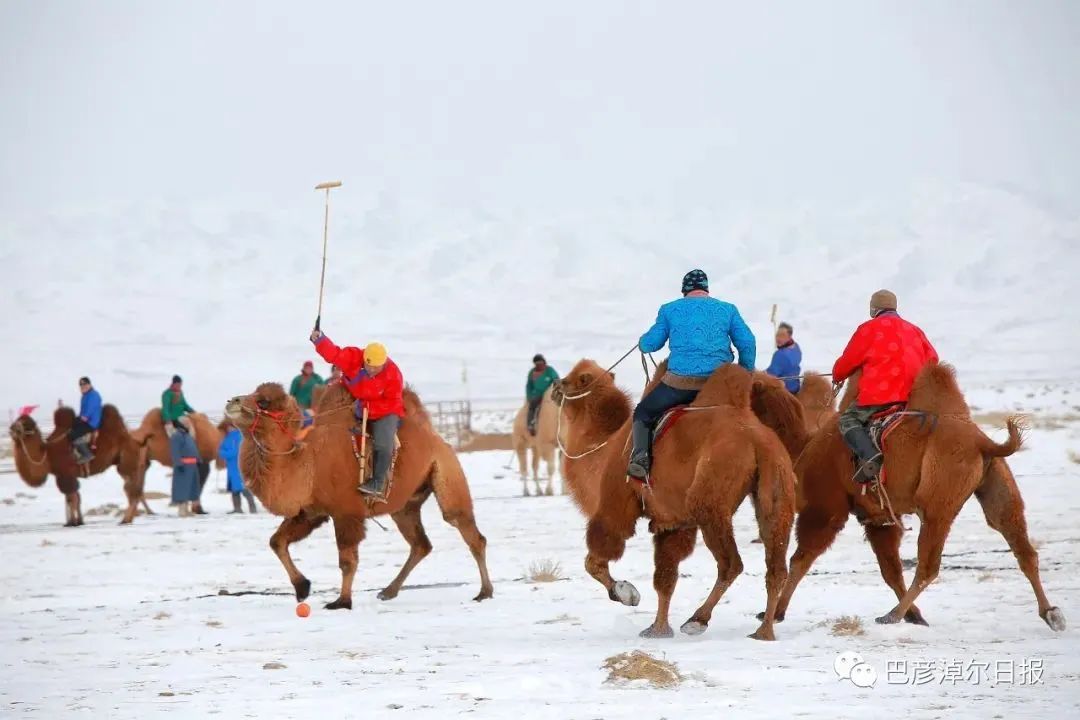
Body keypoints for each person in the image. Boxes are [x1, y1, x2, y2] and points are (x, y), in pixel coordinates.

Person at [629, 269, 756, 480]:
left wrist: (643, 343)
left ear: (684, 290)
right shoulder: (728, 310)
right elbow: (748, 342)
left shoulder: (670, 310)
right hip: (718, 386)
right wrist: (745, 372)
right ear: (706, 288)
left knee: (643, 412)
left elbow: (652, 343)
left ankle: (640, 459)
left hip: (678, 386)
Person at [833, 289, 939, 483]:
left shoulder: (868, 329)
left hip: (879, 396)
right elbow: (933, 360)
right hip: (914, 397)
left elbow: (847, 362)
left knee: (847, 420)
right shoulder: (915, 330)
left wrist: (837, 373)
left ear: (874, 309)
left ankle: (870, 456)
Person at [310, 328, 405, 498]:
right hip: (355, 398)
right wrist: (319, 340)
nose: (372, 370)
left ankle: (377, 482)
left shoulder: (394, 374)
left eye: (377, 367)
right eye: (369, 366)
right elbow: (334, 354)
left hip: (384, 410)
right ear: (364, 360)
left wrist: (366, 407)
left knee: (383, 443)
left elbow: (392, 402)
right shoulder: (353, 357)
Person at [218, 420, 257, 514]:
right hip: (231, 467)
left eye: (229, 426)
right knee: (234, 489)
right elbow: (221, 448)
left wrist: (224, 453)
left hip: (238, 466)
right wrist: (222, 452)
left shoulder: (239, 436)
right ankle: (237, 508)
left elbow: (236, 451)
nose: (228, 428)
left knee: (244, 488)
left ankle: (253, 508)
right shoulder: (227, 437)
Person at [169, 416, 201, 517]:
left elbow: (192, 448)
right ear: (181, 423)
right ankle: (182, 510)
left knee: (190, 488)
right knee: (182, 488)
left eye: (189, 422)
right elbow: (175, 451)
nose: (188, 424)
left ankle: (186, 510)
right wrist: (178, 463)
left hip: (192, 466)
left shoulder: (187, 435)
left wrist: (198, 459)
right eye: (186, 422)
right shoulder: (177, 436)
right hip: (183, 466)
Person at [69, 377, 102, 464]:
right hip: (85, 419)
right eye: (81, 385)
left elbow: (89, 410)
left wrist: (82, 418)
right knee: (69, 426)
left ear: (89, 384)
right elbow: (82, 411)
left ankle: (87, 454)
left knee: (73, 435)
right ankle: (75, 451)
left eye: (85, 384)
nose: (83, 386)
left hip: (92, 422)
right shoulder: (85, 396)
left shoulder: (94, 395)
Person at [525, 354, 559, 436]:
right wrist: (529, 396)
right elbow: (529, 385)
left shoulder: (549, 370)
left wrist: (556, 389)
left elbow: (556, 380)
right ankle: (531, 425)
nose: (539, 365)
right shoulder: (532, 372)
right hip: (537, 394)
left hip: (550, 394)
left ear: (544, 362)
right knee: (532, 407)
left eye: (540, 363)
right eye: (537, 363)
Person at [765, 322, 803, 394]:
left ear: (789, 337)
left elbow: (771, 375)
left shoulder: (780, 355)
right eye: (777, 335)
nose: (778, 338)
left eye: (782, 335)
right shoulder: (796, 347)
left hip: (784, 391)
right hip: (795, 386)